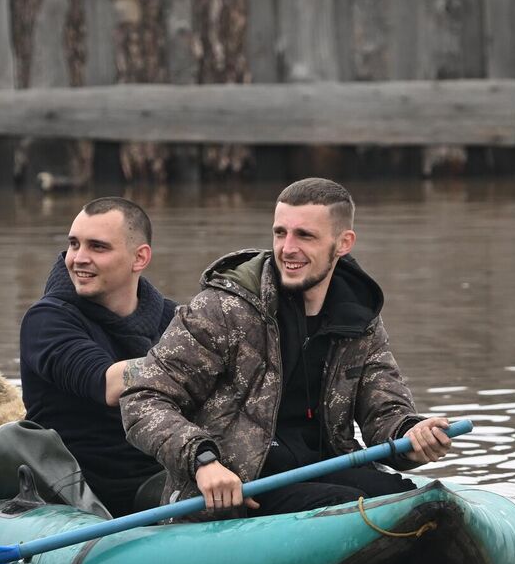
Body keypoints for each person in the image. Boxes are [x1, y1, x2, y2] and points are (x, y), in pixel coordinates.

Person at [120, 178, 455, 517]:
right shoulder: (221, 309)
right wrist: (203, 460)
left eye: (304, 236)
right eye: (280, 233)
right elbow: (143, 399)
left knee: (412, 498)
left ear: (343, 243)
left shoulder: (360, 319)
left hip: (322, 469)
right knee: (348, 507)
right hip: (244, 485)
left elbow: (384, 413)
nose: (287, 248)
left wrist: (412, 433)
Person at [19, 197, 177, 517]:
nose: (78, 258)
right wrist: (195, 360)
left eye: (97, 247)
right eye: (74, 244)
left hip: (166, 470)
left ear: (140, 257)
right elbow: (107, 382)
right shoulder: (47, 319)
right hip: (89, 493)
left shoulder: (172, 318)